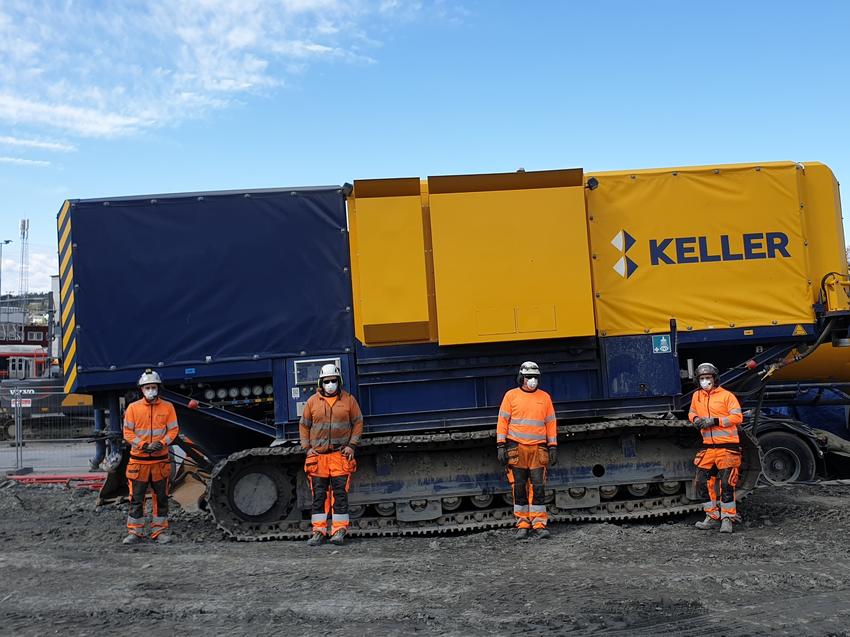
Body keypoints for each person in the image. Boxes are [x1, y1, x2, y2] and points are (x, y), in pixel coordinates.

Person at [299, 363, 363, 546]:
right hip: (318, 458)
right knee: (319, 496)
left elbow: (358, 422)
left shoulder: (348, 400)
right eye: (327, 381)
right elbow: (304, 425)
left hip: (339, 456)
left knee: (340, 495)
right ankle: (318, 532)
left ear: (339, 381)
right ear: (321, 382)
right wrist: (307, 448)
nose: (330, 384)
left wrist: (352, 445)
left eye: (333, 381)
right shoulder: (312, 402)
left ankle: (339, 531)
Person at [496, 361, 558, 540]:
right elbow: (502, 422)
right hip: (516, 448)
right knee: (519, 489)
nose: (532, 380)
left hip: (538, 449)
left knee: (538, 488)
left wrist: (552, 446)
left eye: (535, 377)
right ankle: (522, 524)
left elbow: (551, 423)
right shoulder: (510, 396)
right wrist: (501, 445)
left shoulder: (544, 397)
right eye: (529, 377)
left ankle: (539, 524)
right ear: (521, 378)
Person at [122, 369, 179, 544]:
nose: (150, 390)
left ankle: (159, 532)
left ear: (158, 388)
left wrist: (161, 443)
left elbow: (174, 430)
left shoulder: (168, 408)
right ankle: (135, 533)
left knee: (161, 499)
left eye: (153, 387)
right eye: (147, 387)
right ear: (142, 389)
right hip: (139, 462)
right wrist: (144, 445)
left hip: (160, 462)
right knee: (136, 499)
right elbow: (127, 432)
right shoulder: (133, 408)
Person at [688, 362, 744, 533]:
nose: (705, 381)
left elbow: (737, 417)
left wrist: (716, 421)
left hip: (727, 447)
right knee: (702, 483)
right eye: (702, 378)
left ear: (715, 379)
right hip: (708, 448)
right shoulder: (697, 396)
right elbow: (691, 412)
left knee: (727, 484)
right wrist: (695, 419)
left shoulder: (727, 396)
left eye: (708, 378)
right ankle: (712, 517)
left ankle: (727, 518)